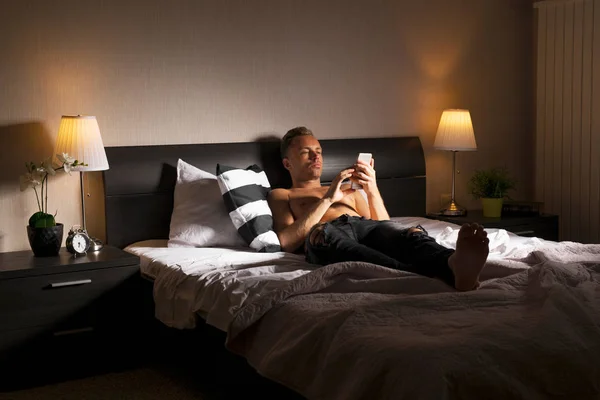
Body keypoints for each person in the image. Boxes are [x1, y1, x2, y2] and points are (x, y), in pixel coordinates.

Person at [267, 126, 490, 291]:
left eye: (319, 150)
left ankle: (453, 262)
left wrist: (371, 188)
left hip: (363, 226)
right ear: (288, 164)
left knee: (409, 235)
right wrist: (328, 198)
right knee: (338, 243)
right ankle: (421, 275)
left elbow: (383, 224)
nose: (316, 157)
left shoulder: (348, 188)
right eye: (306, 152)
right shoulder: (282, 194)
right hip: (327, 231)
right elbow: (287, 242)